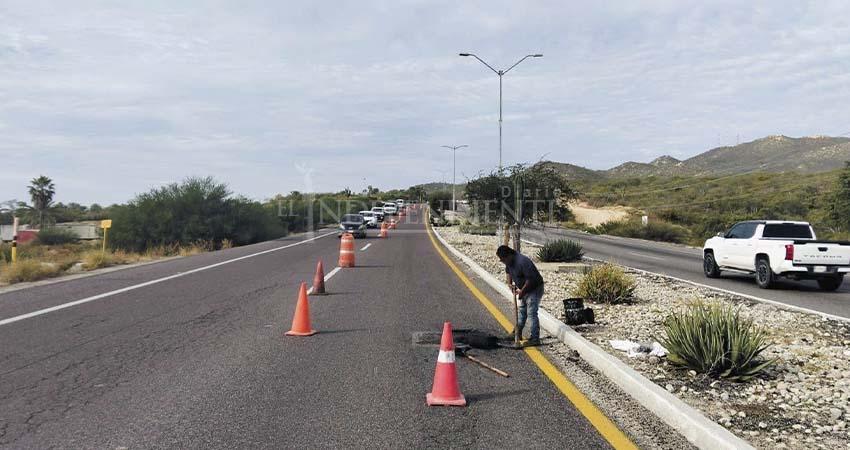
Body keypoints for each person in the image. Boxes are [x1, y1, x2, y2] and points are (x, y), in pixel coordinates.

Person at [496, 245, 544, 346]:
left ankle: (535, 338)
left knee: (531, 313)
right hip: (525, 288)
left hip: (534, 288)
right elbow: (508, 271)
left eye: (503, 260)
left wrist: (522, 292)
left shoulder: (523, 262)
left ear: (509, 255)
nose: (503, 262)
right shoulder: (509, 262)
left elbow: (530, 280)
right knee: (522, 312)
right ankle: (517, 333)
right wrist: (509, 284)